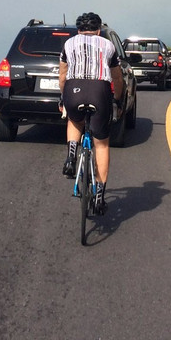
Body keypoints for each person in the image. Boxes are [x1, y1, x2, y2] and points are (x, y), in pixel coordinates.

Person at [58, 11, 124, 215]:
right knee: (102, 143)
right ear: (98, 30)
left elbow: (62, 75)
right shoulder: (109, 46)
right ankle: (99, 197)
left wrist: (63, 98)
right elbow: (117, 78)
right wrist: (117, 100)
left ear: (78, 30)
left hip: (73, 88)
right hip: (99, 90)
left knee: (74, 120)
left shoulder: (68, 45)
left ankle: (71, 157)